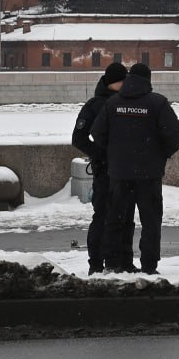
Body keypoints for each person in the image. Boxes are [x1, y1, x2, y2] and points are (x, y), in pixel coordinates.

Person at [91, 62, 179, 273]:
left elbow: (98, 132)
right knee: (150, 221)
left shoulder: (113, 103)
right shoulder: (157, 103)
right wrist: (161, 155)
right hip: (149, 174)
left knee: (116, 219)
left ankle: (113, 264)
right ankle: (149, 266)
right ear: (148, 80)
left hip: (119, 173)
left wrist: (113, 153)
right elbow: (173, 133)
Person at [70, 62, 135, 274]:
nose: (125, 84)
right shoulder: (95, 104)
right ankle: (96, 263)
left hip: (125, 170)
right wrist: (100, 154)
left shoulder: (127, 102)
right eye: (121, 80)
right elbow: (78, 137)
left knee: (125, 217)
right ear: (112, 82)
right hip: (105, 171)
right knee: (102, 216)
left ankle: (122, 261)